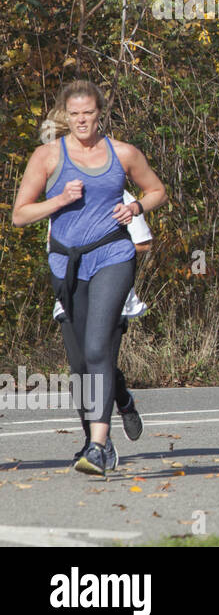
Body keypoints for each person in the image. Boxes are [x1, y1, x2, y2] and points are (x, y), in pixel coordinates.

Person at [13, 81, 168, 476]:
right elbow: (20, 214)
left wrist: (134, 206)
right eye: (75, 114)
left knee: (99, 345)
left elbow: (157, 191)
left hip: (113, 254)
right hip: (66, 264)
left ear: (101, 114)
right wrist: (61, 199)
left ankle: (97, 446)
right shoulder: (48, 156)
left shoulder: (123, 153)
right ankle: (106, 423)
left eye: (89, 113)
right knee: (81, 364)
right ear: (66, 115)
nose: (82, 121)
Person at [39, 108, 147, 456]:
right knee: (79, 368)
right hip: (69, 284)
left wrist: (112, 274)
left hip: (109, 284)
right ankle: (96, 439)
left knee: (98, 355)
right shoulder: (57, 184)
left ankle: (103, 435)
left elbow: (142, 241)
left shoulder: (113, 186)